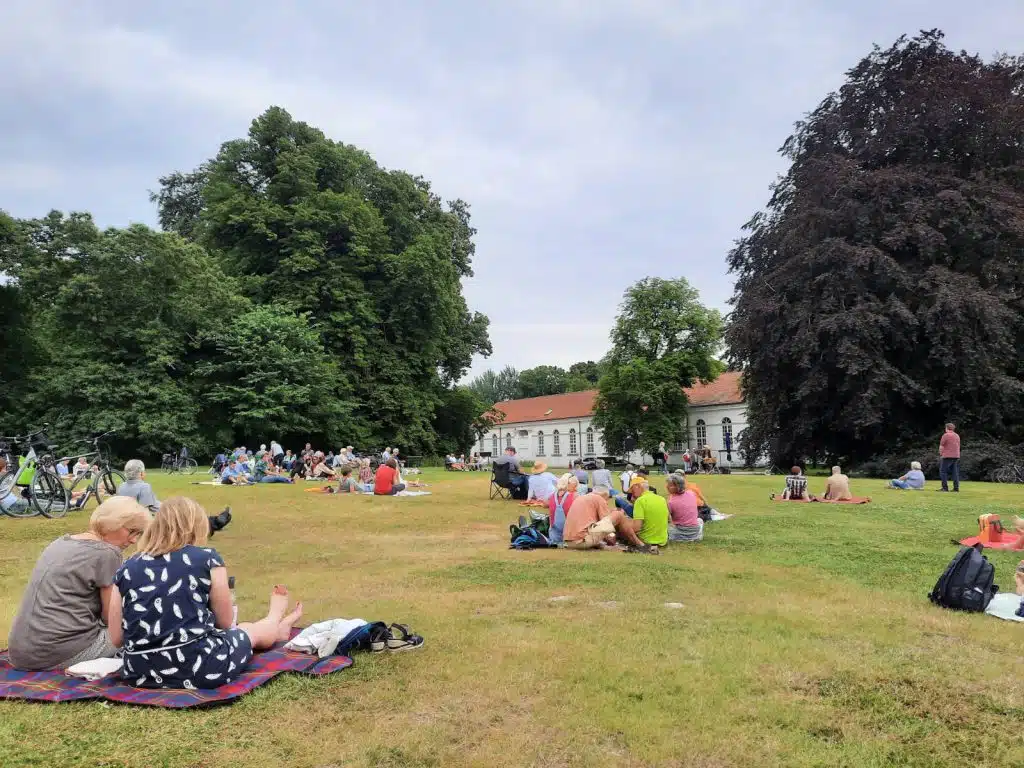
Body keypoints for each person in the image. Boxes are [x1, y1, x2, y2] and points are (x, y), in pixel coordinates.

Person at [112, 497, 303, 689]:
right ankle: (275, 620)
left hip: (138, 672)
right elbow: (226, 622)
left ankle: (275, 626)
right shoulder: (206, 558)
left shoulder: (126, 568)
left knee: (239, 632)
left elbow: (117, 638)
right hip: (201, 667)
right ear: (197, 526)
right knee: (246, 631)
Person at [7, 496, 151, 671]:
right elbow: (111, 618)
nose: (134, 540)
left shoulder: (61, 542)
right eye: (132, 531)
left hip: (21, 651)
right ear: (113, 524)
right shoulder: (107, 553)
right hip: (57, 653)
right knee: (145, 628)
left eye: (139, 534)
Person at [562, 486, 649, 551]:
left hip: (569, 542)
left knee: (614, 516)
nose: (606, 503)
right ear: (604, 495)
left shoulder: (583, 498)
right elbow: (608, 527)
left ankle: (607, 546)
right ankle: (640, 545)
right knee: (618, 515)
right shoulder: (599, 498)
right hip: (582, 540)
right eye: (606, 500)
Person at [626, 477, 667, 553]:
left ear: (637, 486)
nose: (632, 493)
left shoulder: (640, 501)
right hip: (662, 541)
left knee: (622, 523)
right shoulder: (662, 499)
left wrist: (626, 526)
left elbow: (636, 528)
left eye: (632, 490)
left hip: (646, 540)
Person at [666, 473, 703, 542]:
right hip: (694, 531)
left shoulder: (671, 502)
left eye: (670, 485)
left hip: (678, 533)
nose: (667, 487)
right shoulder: (692, 493)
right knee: (699, 520)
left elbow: (667, 519)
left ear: (677, 487)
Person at [548, 474, 578, 544]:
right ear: (568, 485)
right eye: (575, 486)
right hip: (570, 537)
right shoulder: (574, 496)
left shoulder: (552, 496)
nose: (576, 488)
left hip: (554, 536)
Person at [939, 423, 961, 493]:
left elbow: (941, 446)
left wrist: (941, 454)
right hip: (956, 456)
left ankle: (945, 488)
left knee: (943, 472)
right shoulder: (957, 435)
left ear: (946, 428)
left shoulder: (946, 435)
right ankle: (956, 488)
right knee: (955, 472)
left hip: (947, 455)